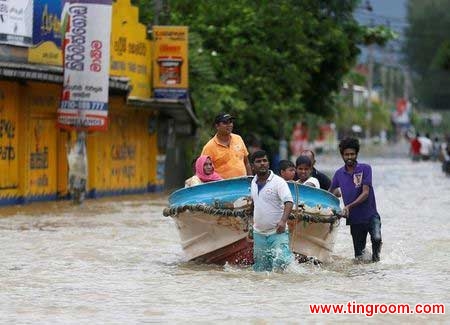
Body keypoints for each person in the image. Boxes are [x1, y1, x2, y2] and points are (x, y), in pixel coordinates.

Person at [329, 137, 382, 263]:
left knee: (376, 238)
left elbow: (365, 193)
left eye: (352, 154)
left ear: (356, 154)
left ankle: (376, 261)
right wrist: (335, 196)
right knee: (359, 257)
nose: (349, 157)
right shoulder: (338, 174)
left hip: (370, 215)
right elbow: (329, 192)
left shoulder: (365, 169)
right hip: (355, 220)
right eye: (346, 154)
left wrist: (348, 207)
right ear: (342, 155)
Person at [250, 150, 294, 272]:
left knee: (282, 265)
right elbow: (255, 204)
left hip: (277, 233)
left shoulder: (278, 182)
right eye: (258, 162)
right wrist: (249, 225)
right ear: (253, 166)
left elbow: (289, 202)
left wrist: (283, 221)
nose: (262, 163)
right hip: (259, 234)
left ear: (269, 163)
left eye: (265, 160)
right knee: (260, 271)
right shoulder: (253, 182)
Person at [201, 112, 252, 179]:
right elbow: (203, 170)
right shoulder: (209, 147)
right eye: (225, 123)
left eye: (230, 122)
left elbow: (246, 163)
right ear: (217, 126)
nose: (229, 125)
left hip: (242, 185)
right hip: (222, 187)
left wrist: (251, 180)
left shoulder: (238, 138)